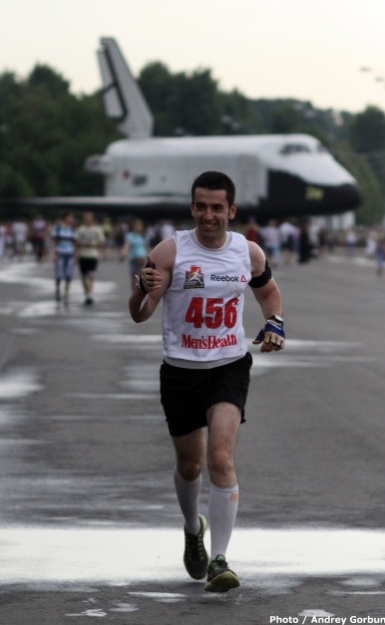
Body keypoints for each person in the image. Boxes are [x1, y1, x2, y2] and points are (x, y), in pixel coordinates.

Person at [128, 171, 285, 593]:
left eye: (218, 207)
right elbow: (140, 313)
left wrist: (275, 322)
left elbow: (268, 292)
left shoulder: (246, 252)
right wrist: (140, 289)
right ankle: (190, 528)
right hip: (180, 370)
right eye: (202, 206)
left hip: (229, 366)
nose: (209, 215)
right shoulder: (171, 250)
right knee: (190, 464)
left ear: (232, 210)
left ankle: (219, 559)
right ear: (193, 207)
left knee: (220, 458)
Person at [76, 212, 105, 306]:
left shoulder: (97, 229)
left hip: (93, 255)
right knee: (84, 277)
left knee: (91, 275)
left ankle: (90, 294)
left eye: (89, 217)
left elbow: (101, 242)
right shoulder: (80, 229)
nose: (87, 219)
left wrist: (92, 245)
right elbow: (76, 242)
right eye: (86, 218)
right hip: (83, 255)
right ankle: (87, 294)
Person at [51, 212, 77, 304]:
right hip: (60, 252)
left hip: (69, 253)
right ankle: (58, 289)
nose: (71, 219)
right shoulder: (57, 228)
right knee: (59, 273)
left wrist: (76, 255)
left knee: (68, 274)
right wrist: (54, 253)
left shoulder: (72, 229)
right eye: (70, 218)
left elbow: (75, 242)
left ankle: (66, 292)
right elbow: (54, 241)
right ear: (65, 218)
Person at [122, 218, 148, 290]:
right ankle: (134, 293)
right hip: (133, 258)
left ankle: (140, 292)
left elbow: (146, 247)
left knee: (141, 278)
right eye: (137, 226)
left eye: (140, 226)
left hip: (142, 258)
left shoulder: (143, 236)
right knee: (134, 277)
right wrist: (124, 252)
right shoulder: (130, 236)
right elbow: (126, 245)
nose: (139, 227)